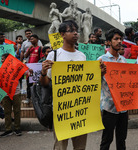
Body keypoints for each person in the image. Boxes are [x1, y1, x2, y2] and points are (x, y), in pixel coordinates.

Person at [40, 20, 87, 150]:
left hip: (79, 107)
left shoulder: (82, 56)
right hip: (62, 108)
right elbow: (44, 83)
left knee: (80, 146)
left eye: (77, 31)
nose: (76, 33)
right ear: (62, 34)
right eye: (71, 30)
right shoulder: (54, 54)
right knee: (60, 145)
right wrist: (43, 72)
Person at [98, 28, 128, 150]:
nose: (119, 41)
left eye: (120, 39)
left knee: (122, 139)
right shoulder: (101, 60)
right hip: (109, 107)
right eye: (116, 39)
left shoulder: (123, 60)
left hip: (123, 108)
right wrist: (100, 74)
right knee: (107, 139)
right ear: (109, 42)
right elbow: (94, 82)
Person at [0, 53, 22, 138]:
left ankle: (17, 128)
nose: (1, 60)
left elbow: (23, 73)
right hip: (5, 94)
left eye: (3, 59)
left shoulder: (16, 68)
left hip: (16, 93)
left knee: (17, 111)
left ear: (8, 60)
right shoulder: (0, 69)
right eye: (1, 59)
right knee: (7, 112)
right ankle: (8, 129)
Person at [23, 34, 43, 104]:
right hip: (30, 69)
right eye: (30, 39)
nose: (31, 40)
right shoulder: (30, 48)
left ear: (37, 39)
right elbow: (25, 56)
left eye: (32, 39)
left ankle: (38, 98)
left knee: (37, 84)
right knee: (29, 84)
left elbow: (41, 59)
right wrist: (29, 50)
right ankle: (28, 98)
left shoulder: (40, 48)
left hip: (36, 69)